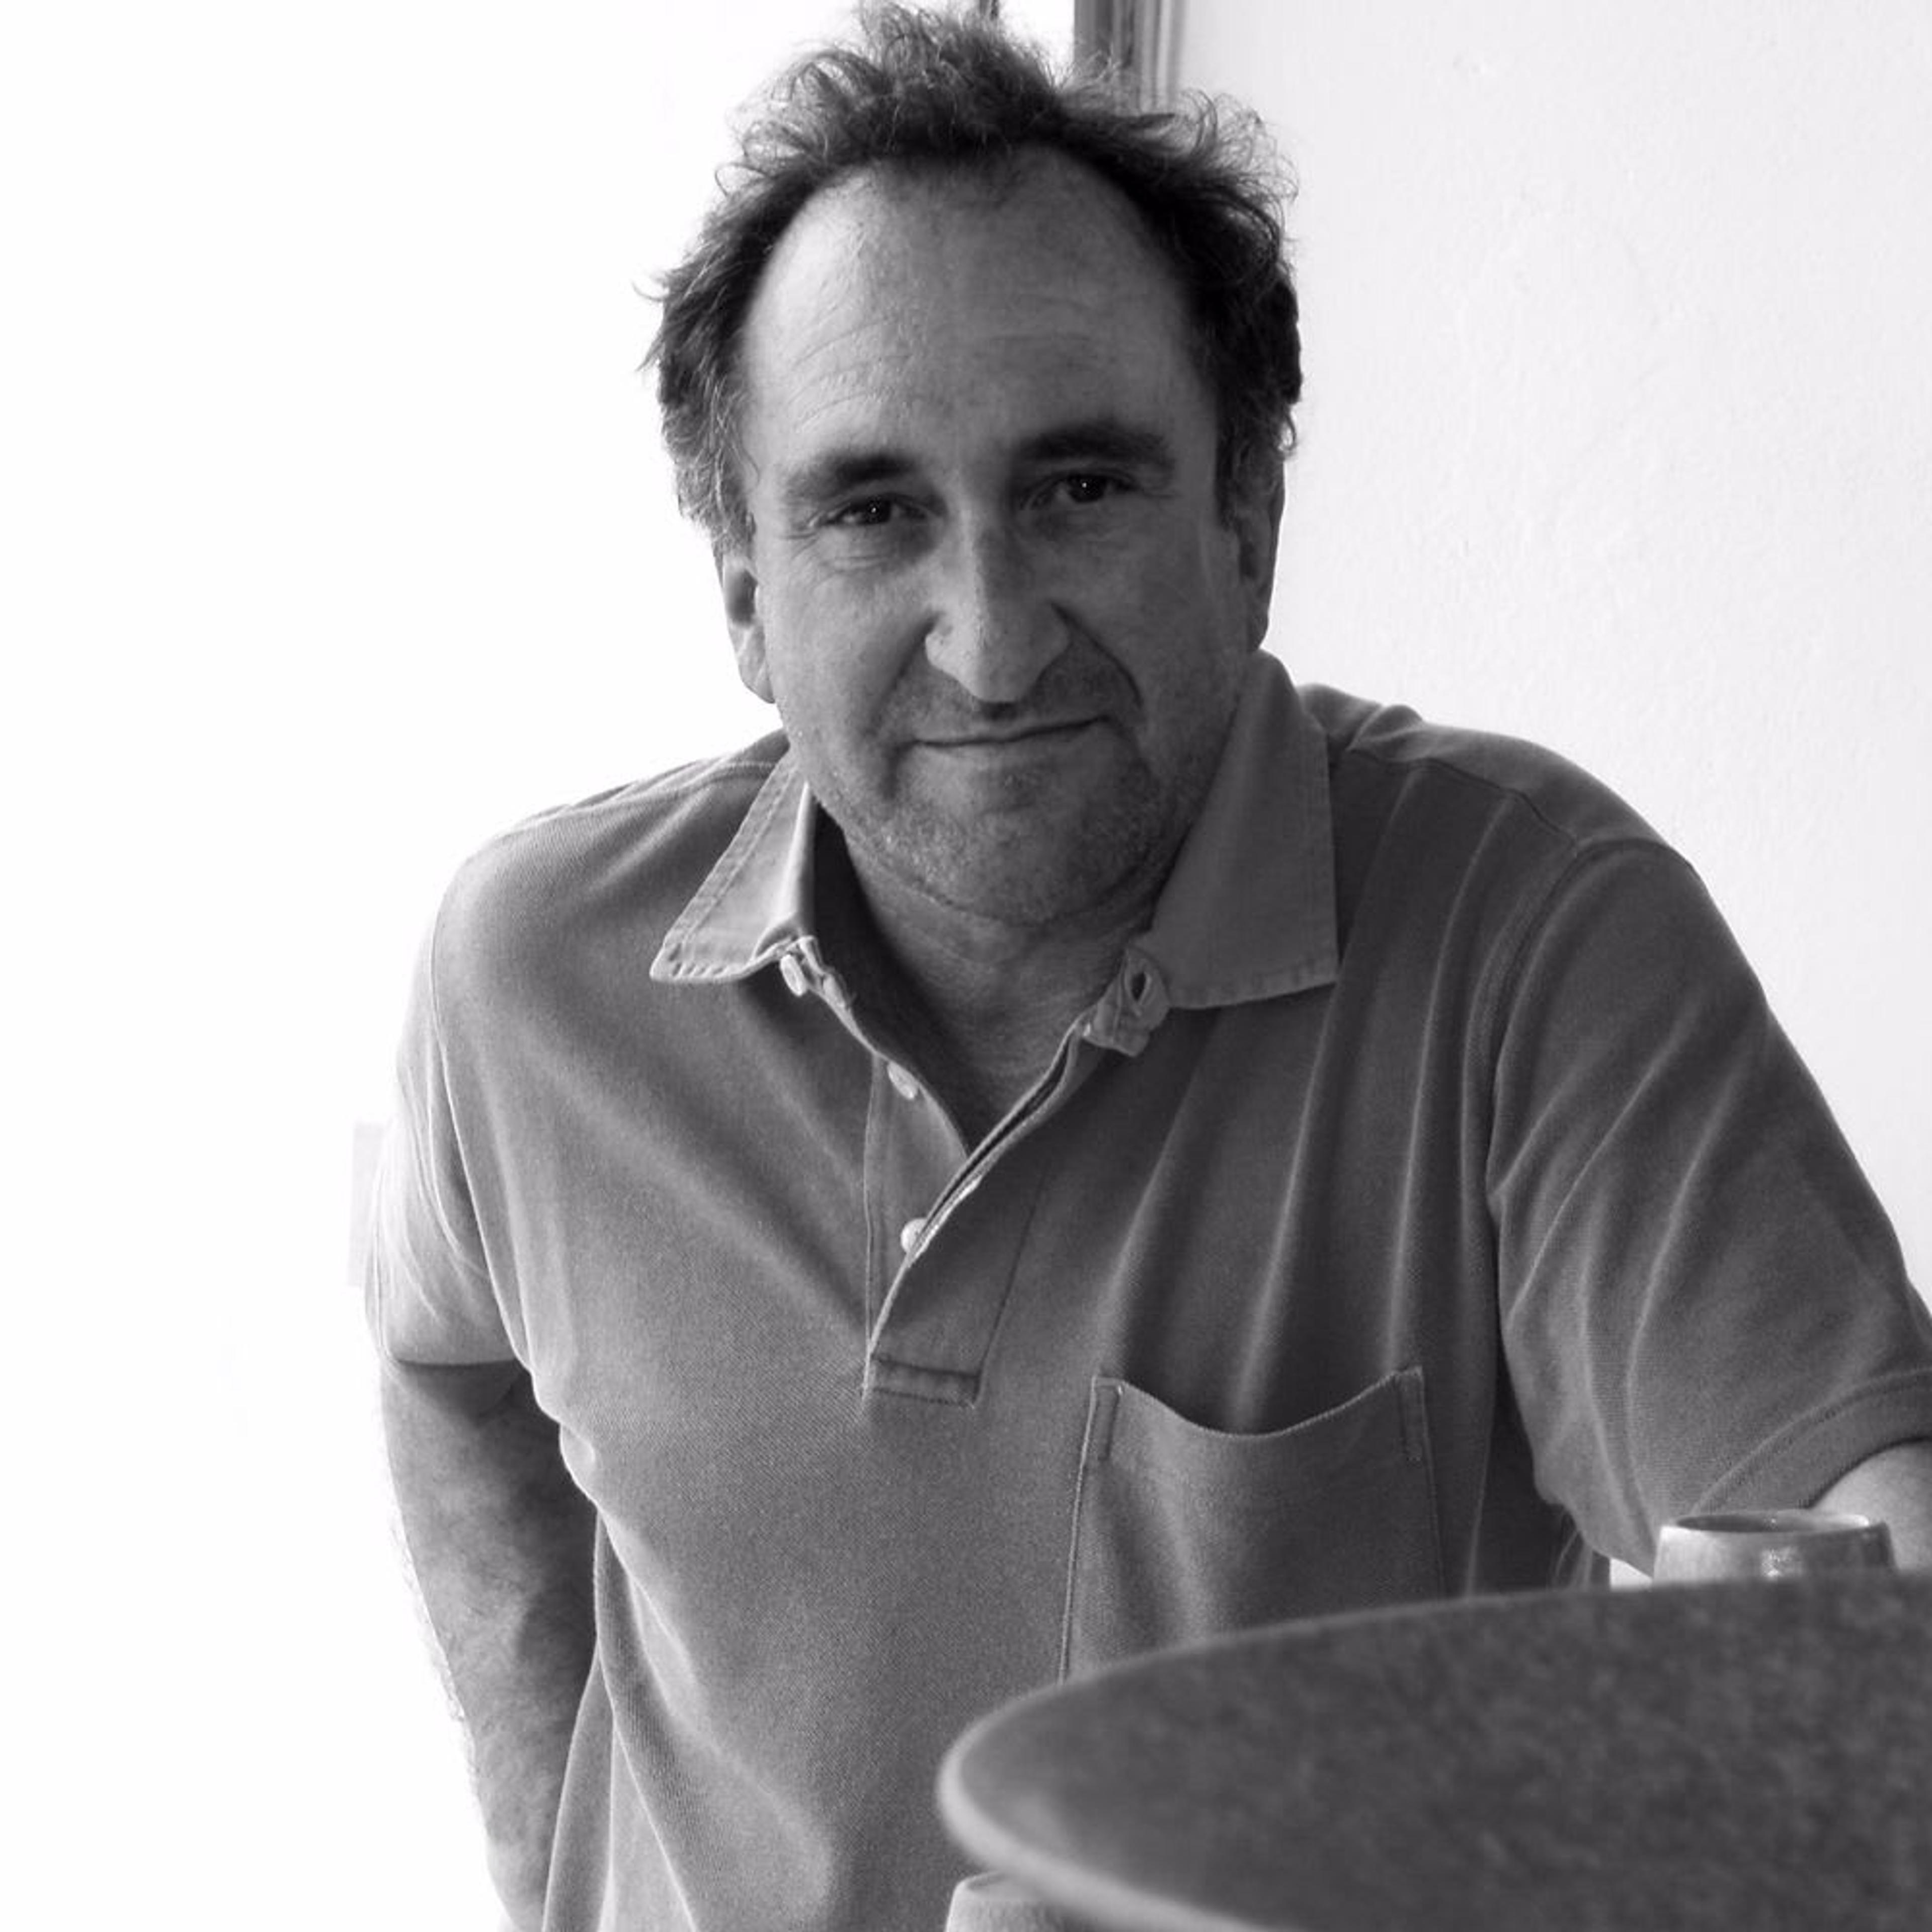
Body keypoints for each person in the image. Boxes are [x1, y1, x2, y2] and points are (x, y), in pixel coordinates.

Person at [365, 8, 1932, 1928]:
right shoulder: (528, 980)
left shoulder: (1534, 933)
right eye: (872, 512)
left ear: (1247, 522)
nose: (992, 641)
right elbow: (445, 1359)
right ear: (746, 596)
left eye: (1082, 489)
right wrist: (548, 1855)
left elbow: (1865, 1632)